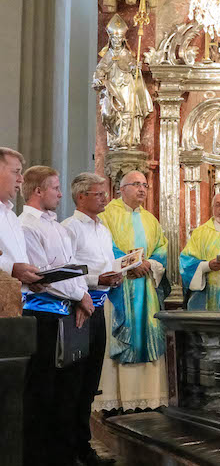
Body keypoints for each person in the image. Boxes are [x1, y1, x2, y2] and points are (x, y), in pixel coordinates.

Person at [20, 166, 92, 466]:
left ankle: (65, 454)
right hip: (42, 319)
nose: (61, 194)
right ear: (39, 191)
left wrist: (82, 298)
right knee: (43, 394)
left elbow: (72, 267)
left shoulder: (58, 228)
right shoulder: (26, 225)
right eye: (55, 188)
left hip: (69, 314)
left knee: (69, 392)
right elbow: (42, 277)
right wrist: (79, 296)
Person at [96, 170, 170, 411]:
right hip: (119, 288)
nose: (141, 189)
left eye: (145, 185)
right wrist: (129, 266)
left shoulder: (151, 219)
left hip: (146, 288)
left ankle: (149, 398)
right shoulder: (106, 215)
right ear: (121, 188)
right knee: (117, 338)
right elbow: (105, 247)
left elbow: (161, 248)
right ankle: (115, 400)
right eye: (135, 184)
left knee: (148, 331)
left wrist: (149, 264)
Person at [61, 173, 121, 466]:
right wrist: (99, 277)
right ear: (81, 197)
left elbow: (106, 264)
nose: (104, 198)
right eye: (98, 194)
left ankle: (84, 447)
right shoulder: (69, 229)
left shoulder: (104, 230)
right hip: (76, 311)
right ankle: (69, 450)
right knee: (74, 382)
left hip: (99, 308)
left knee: (90, 382)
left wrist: (115, 275)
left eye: (105, 193)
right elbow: (64, 270)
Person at [0, 148, 43, 287]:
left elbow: (17, 260)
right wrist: (11, 269)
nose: (21, 178)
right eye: (16, 171)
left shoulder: (11, 216)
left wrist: (30, 281)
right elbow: (13, 267)